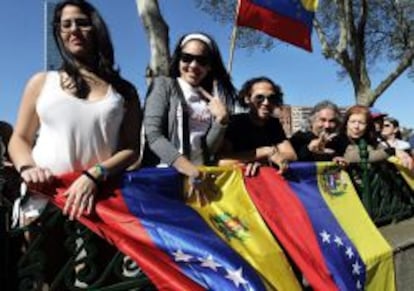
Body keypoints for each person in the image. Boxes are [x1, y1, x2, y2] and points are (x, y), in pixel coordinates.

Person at [8, 0, 141, 221]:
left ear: (96, 28)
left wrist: (94, 175)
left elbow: (131, 149)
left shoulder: (124, 91)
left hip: (100, 203)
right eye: (66, 25)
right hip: (44, 201)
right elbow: (20, 138)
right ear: (59, 34)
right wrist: (27, 168)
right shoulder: (41, 82)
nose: (74, 30)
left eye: (82, 23)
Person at [142, 32, 237, 202]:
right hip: (165, 179)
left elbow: (206, 150)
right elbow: (153, 136)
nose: (193, 65)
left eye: (202, 61)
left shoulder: (210, 99)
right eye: (187, 58)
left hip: (199, 183)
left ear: (210, 67)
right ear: (178, 59)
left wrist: (221, 121)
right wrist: (189, 169)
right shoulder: (164, 85)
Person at [218, 76, 297, 176]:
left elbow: (292, 155)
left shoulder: (273, 124)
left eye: (271, 98)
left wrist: (264, 160)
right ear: (247, 99)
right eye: (259, 97)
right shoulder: (235, 122)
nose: (266, 103)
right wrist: (264, 152)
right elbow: (222, 161)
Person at [333, 105, 412, 170]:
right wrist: (392, 151)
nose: (356, 126)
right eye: (353, 122)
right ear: (346, 123)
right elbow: (353, 156)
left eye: (361, 123)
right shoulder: (337, 140)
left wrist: (401, 153)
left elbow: (381, 149)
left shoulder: (369, 139)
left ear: (367, 126)